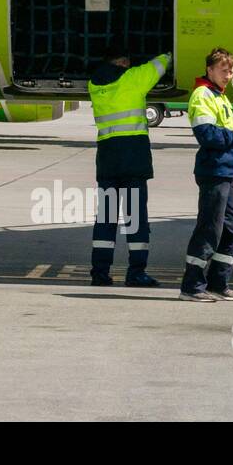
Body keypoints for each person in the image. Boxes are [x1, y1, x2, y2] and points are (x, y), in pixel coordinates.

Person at [87, 46, 172, 287]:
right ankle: (136, 272)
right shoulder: (133, 79)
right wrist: (168, 52)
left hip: (107, 160)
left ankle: (99, 273)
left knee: (105, 219)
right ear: (124, 62)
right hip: (132, 160)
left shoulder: (95, 84)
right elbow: (160, 64)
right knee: (135, 220)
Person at [179, 47, 233, 303]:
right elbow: (206, 135)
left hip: (226, 171)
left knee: (232, 229)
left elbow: (219, 134)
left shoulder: (220, 96)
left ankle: (218, 282)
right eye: (224, 70)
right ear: (210, 69)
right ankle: (192, 286)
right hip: (213, 171)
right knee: (209, 229)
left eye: (231, 71)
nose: (229, 75)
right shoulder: (202, 95)